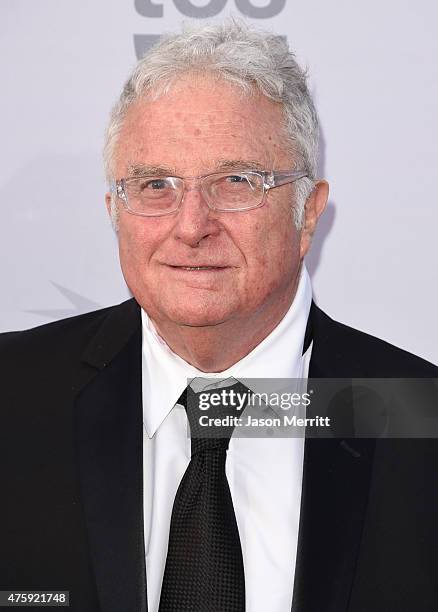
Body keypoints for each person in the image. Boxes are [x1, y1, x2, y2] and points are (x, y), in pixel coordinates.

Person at [1, 19, 437, 612]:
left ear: (307, 215)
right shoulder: (13, 393)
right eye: (155, 185)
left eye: (236, 181)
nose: (191, 225)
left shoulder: (421, 418)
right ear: (114, 212)